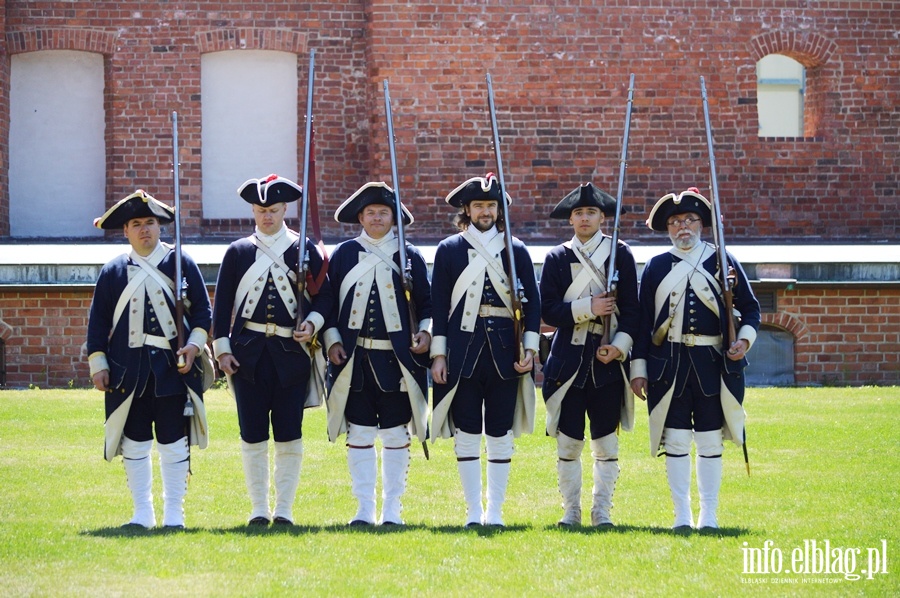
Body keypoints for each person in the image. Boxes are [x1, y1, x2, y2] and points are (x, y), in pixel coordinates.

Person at [629, 188, 760, 530]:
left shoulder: (723, 260)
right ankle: (682, 517)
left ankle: (710, 515)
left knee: (709, 439)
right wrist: (638, 369)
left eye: (689, 220)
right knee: (674, 440)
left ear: (701, 223)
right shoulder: (657, 266)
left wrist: (743, 340)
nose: (682, 227)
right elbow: (644, 323)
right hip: (667, 364)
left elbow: (751, 309)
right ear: (667, 229)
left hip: (712, 363)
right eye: (674, 222)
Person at [212, 174, 333, 526]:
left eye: (275, 210)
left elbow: (325, 296)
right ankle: (258, 509)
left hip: (291, 355)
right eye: (262, 209)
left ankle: (284, 510)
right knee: (251, 433)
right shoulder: (237, 252)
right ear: (253, 209)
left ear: (285, 210)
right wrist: (222, 349)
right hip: (247, 354)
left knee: (289, 432)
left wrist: (312, 322)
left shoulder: (303, 249)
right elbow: (221, 307)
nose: (268, 216)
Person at [87, 190, 212, 529]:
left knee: (174, 441)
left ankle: (175, 514)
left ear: (160, 227)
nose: (145, 230)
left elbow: (203, 312)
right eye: (137, 224)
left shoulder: (180, 262)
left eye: (151, 223)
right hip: (127, 371)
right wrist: (99, 365)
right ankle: (142, 513)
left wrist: (195, 347)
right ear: (126, 231)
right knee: (136, 441)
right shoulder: (113, 271)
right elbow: (97, 323)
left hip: (173, 370)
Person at [430, 173, 541, 527]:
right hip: (462, 352)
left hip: (505, 353)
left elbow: (534, 305)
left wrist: (530, 349)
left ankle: (495, 512)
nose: (485, 211)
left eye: (491, 205)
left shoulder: (516, 249)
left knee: (499, 431)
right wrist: (439, 354)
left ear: (499, 209)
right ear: (467, 209)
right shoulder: (449, 249)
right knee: (466, 432)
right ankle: (473, 512)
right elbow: (439, 306)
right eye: (478, 205)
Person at [323, 182, 432, 526]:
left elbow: (428, 306)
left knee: (397, 435)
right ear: (360, 217)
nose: (377, 218)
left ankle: (392, 509)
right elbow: (327, 305)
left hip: (396, 362)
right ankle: (364, 509)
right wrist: (331, 340)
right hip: (355, 362)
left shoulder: (409, 255)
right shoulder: (343, 254)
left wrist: (426, 333)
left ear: (394, 217)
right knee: (359, 433)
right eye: (370, 213)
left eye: (383, 213)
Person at [539, 183, 640, 527]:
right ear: (571, 219)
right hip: (567, 361)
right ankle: (571, 511)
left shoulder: (620, 254)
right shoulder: (556, 257)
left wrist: (621, 347)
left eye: (591, 213)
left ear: (602, 218)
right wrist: (590, 307)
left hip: (606, 363)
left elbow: (633, 312)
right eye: (579, 213)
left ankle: (602, 512)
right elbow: (548, 311)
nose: (585, 218)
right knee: (568, 443)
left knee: (606, 444)